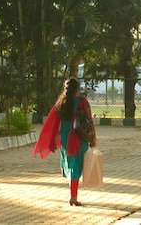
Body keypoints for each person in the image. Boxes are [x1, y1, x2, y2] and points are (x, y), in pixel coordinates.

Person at [32, 77, 96, 206]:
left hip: (66, 138)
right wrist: (93, 137)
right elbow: (90, 120)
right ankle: (73, 197)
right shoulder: (83, 102)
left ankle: (73, 194)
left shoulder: (61, 103)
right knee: (76, 167)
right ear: (77, 89)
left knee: (72, 164)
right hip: (80, 137)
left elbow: (54, 123)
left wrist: (53, 140)